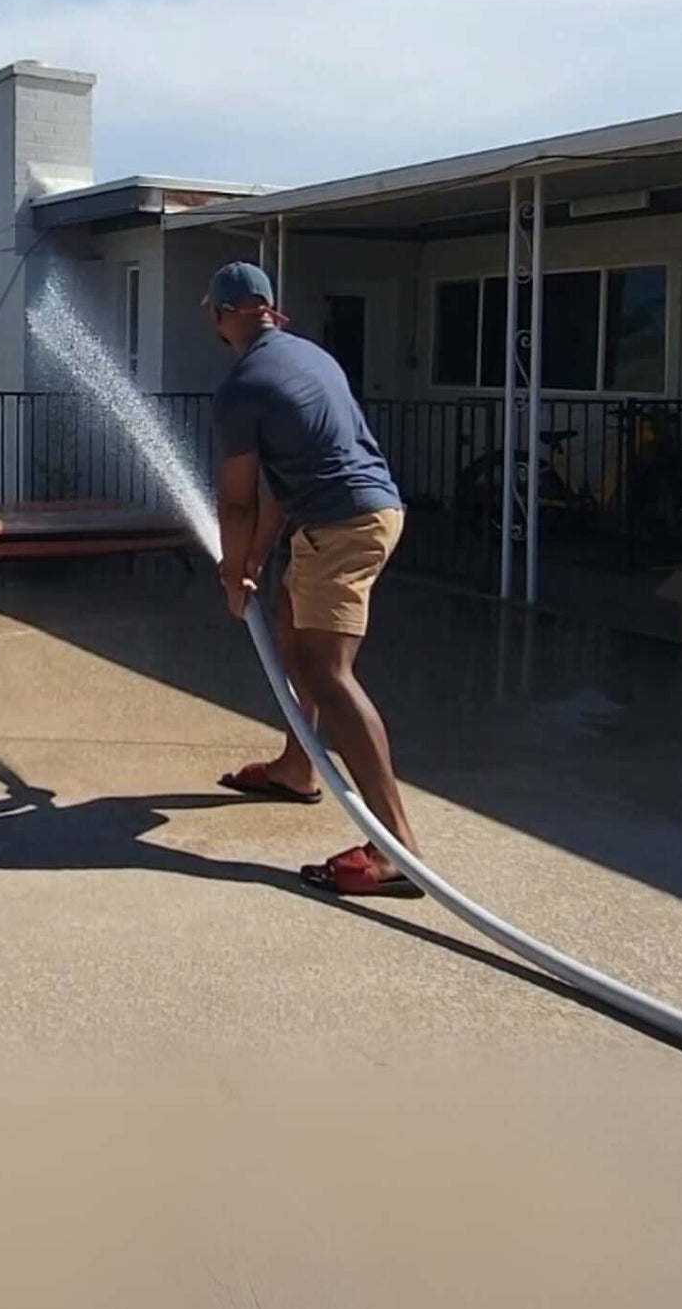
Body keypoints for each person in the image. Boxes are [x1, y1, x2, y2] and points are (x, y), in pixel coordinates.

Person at [206, 260, 422, 898]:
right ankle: (297, 768)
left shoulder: (242, 386)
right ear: (269, 309)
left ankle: (397, 850)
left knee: (327, 672)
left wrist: (229, 572)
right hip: (358, 513)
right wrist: (254, 562)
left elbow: (239, 501)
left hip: (345, 525)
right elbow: (279, 490)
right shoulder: (310, 358)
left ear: (221, 316)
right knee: (286, 622)